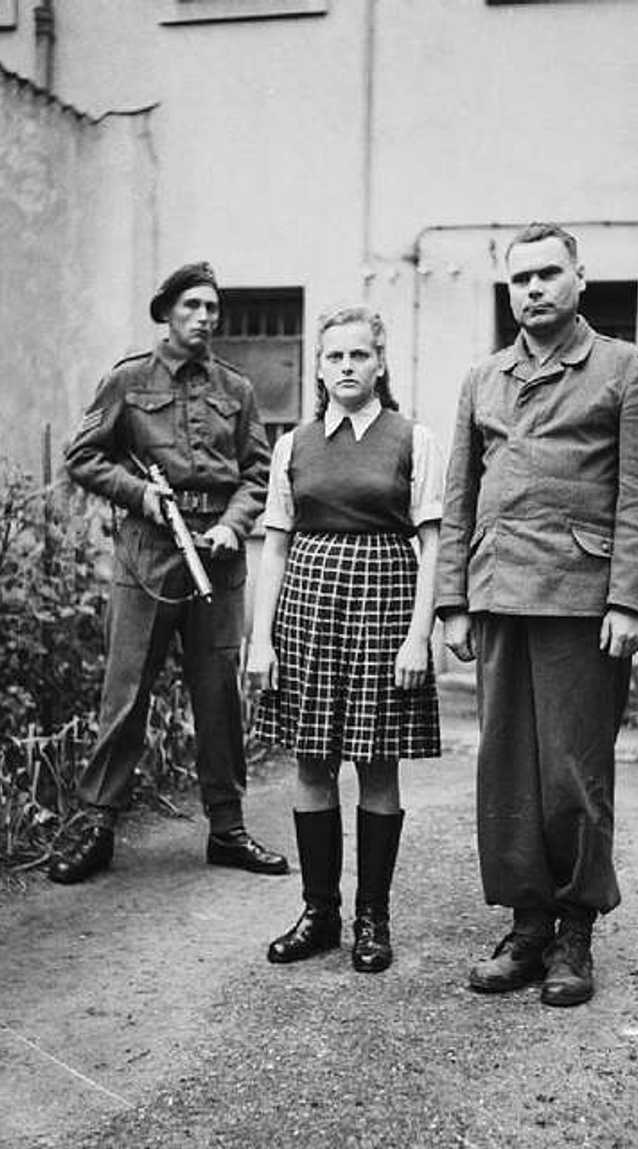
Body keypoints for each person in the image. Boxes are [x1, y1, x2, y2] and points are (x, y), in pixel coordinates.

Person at [435, 223, 638, 1007]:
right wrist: (452, 602)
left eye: (547, 274)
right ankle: (528, 927)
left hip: (580, 599)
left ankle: (575, 934)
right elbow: (460, 497)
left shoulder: (626, 370)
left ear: (580, 279)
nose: (532, 289)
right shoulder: (484, 378)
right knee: (506, 769)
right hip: (499, 593)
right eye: (520, 279)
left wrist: (630, 599)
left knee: (573, 771)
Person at [49, 261, 288, 884]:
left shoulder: (236, 388)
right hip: (149, 552)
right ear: (167, 312)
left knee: (219, 699)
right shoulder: (128, 380)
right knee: (125, 695)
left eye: (211, 307)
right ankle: (97, 826)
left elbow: (258, 471)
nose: (204, 317)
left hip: (217, 553)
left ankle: (229, 830)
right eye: (191, 306)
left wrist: (235, 524)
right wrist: (139, 495)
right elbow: (83, 457)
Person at [247, 305, 443, 973]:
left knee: (377, 764)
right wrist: (260, 640)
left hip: (384, 605)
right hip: (308, 606)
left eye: (360, 355)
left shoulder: (413, 439)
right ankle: (319, 912)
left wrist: (420, 635)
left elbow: (433, 542)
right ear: (320, 367)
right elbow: (273, 548)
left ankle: (372, 919)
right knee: (310, 761)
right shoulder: (292, 444)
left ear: (380, 363)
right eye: (335, 357)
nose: (347, 367)